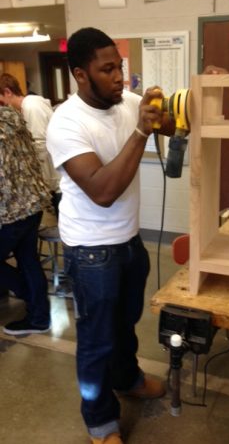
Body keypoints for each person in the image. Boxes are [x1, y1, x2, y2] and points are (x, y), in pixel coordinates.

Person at [46, 27, 176, 444]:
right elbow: (102, 191)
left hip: (129, 241)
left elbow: (170, 124)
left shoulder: (128, 102)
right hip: (91, 252)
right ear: (80, 74)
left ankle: (127, 378)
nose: (119, 78)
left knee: (125, 325)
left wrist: (181, 102)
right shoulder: (66, 123)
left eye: (119, 67)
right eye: (107, 70)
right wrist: (141, 131)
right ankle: (101, 422)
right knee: (97, 340)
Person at [0, 106, 52, 335]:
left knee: (27, 261)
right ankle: (39, 317)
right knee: (28, 260)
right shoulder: (11, 117)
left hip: (10, 212)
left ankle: (28, 295)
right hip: (32, 204)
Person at [0, 73, 61, 217]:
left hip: (56, 179)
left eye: (2, 102)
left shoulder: (32, 107)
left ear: (8, 92)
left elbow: (40, 146)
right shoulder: (28, 106)